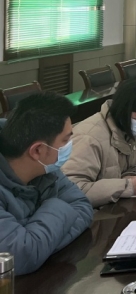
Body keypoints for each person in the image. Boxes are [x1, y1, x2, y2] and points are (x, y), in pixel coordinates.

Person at [0, 93, 93, 275]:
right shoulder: (43, 165)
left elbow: (82, 206)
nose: (70, 145)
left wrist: (40, 244)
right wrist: (57, 209)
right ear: (37, 150)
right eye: (65, 140)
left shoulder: (45, 168)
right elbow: (19, 256)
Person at [62, 79, 136, 207]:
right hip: (92, 213)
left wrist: (134, 178)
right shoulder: (88, 137)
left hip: (118, 207)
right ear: (123, 110)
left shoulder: (130, 130)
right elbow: (71, 190)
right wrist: (127, 186)